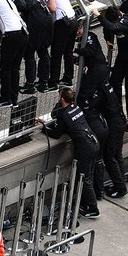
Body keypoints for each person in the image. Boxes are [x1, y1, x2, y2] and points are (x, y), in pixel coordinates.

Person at [74, 23, 128, 198]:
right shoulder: (106, 85)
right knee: (115, 154)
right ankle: (121, 182)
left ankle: (120, 187)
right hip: (116, 120)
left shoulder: (102, 89)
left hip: (113, 122)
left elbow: (91, 99)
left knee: (110, 156)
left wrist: (76, 53)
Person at [42, 87, 101, 218]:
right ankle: (85, 202)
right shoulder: (76, 107)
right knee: (88, 176)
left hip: (85, 148)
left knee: (83, 178)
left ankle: (93, 208)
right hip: (94, 142)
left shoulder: (64, 115)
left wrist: (43, 128)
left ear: (62, 99)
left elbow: (56, 134)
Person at [93, 6, 128, 132]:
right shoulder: (115, 21)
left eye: (115, 22)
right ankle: (119, 112)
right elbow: (108, 27)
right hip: (123, 55)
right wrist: (108, 40)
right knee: (114, 81)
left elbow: (113, 27)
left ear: (119, 16)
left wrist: (99, 16)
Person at [31, 0, 77, 91]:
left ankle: (53, 83)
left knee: (56, 53)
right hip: (72, 20)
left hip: (62, 23)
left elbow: (52, 8)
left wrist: (42, 3)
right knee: (68, 51)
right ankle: (68, 78)